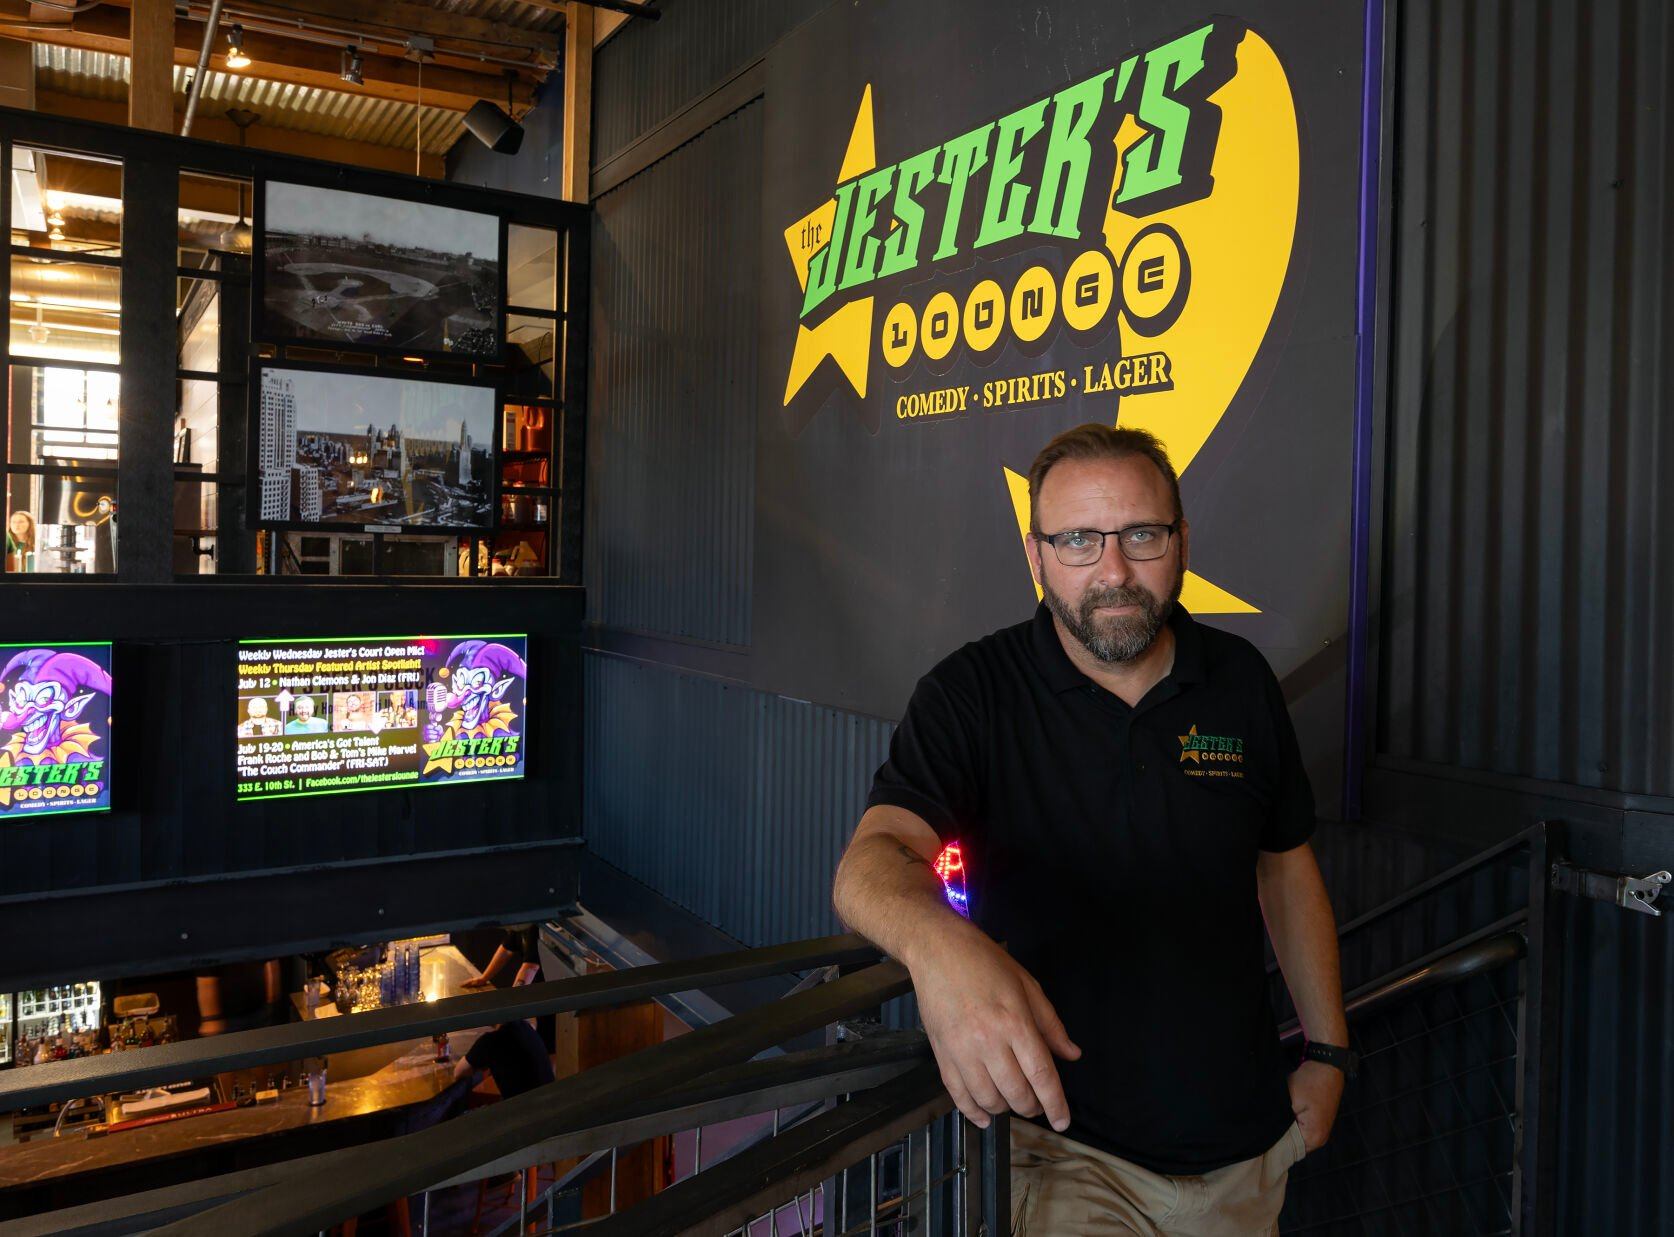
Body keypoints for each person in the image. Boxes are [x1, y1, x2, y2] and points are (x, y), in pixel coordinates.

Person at [831, 424, 1350, 1235]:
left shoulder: (1239, 680)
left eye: (1140, 534)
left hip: (1245, 1150)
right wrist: (939, 948)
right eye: (1078, 540)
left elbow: (1284, 867)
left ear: (1180, 542)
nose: (1112, 570)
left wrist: (1327, 1050)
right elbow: (871, 864)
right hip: (1066, 1152)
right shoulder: (973, 691)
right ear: (1036, 557)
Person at [453, 1018, 554, 1099]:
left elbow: (458, 1072)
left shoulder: (492, 1041)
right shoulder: (527, 1028)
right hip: (549, 1106)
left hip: (524, 1116)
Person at [462, 923, 542, 991]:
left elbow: (530, 967)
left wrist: (515, 999)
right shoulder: (520, 926)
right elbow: (506, 950)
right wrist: (484, 978)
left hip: (545, 987)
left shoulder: (534, 928)